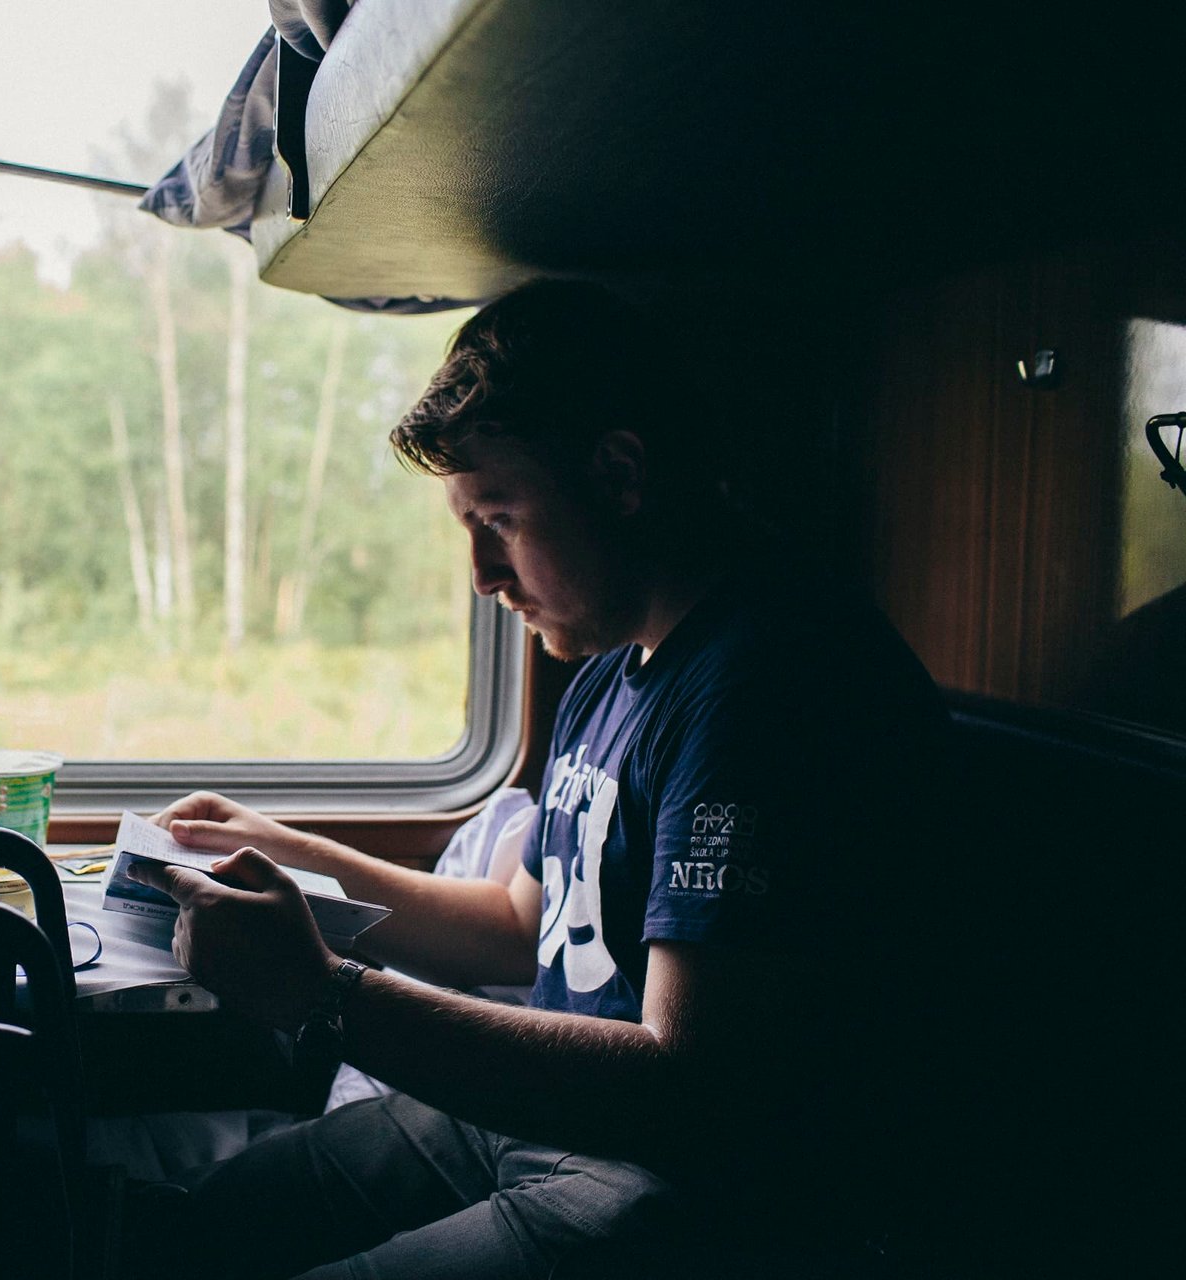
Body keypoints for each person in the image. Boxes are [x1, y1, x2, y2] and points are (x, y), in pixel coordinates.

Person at [127, 280, 948, 1279]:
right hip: (544, 1114)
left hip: (688, 1177)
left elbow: (693, 1085)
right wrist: (281, 849)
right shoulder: (613, 659)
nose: (480, 570)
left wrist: (328, 994)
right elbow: (521, 919)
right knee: (197, 1229)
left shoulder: (771, 683)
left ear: (621, 472)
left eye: (501, 518)